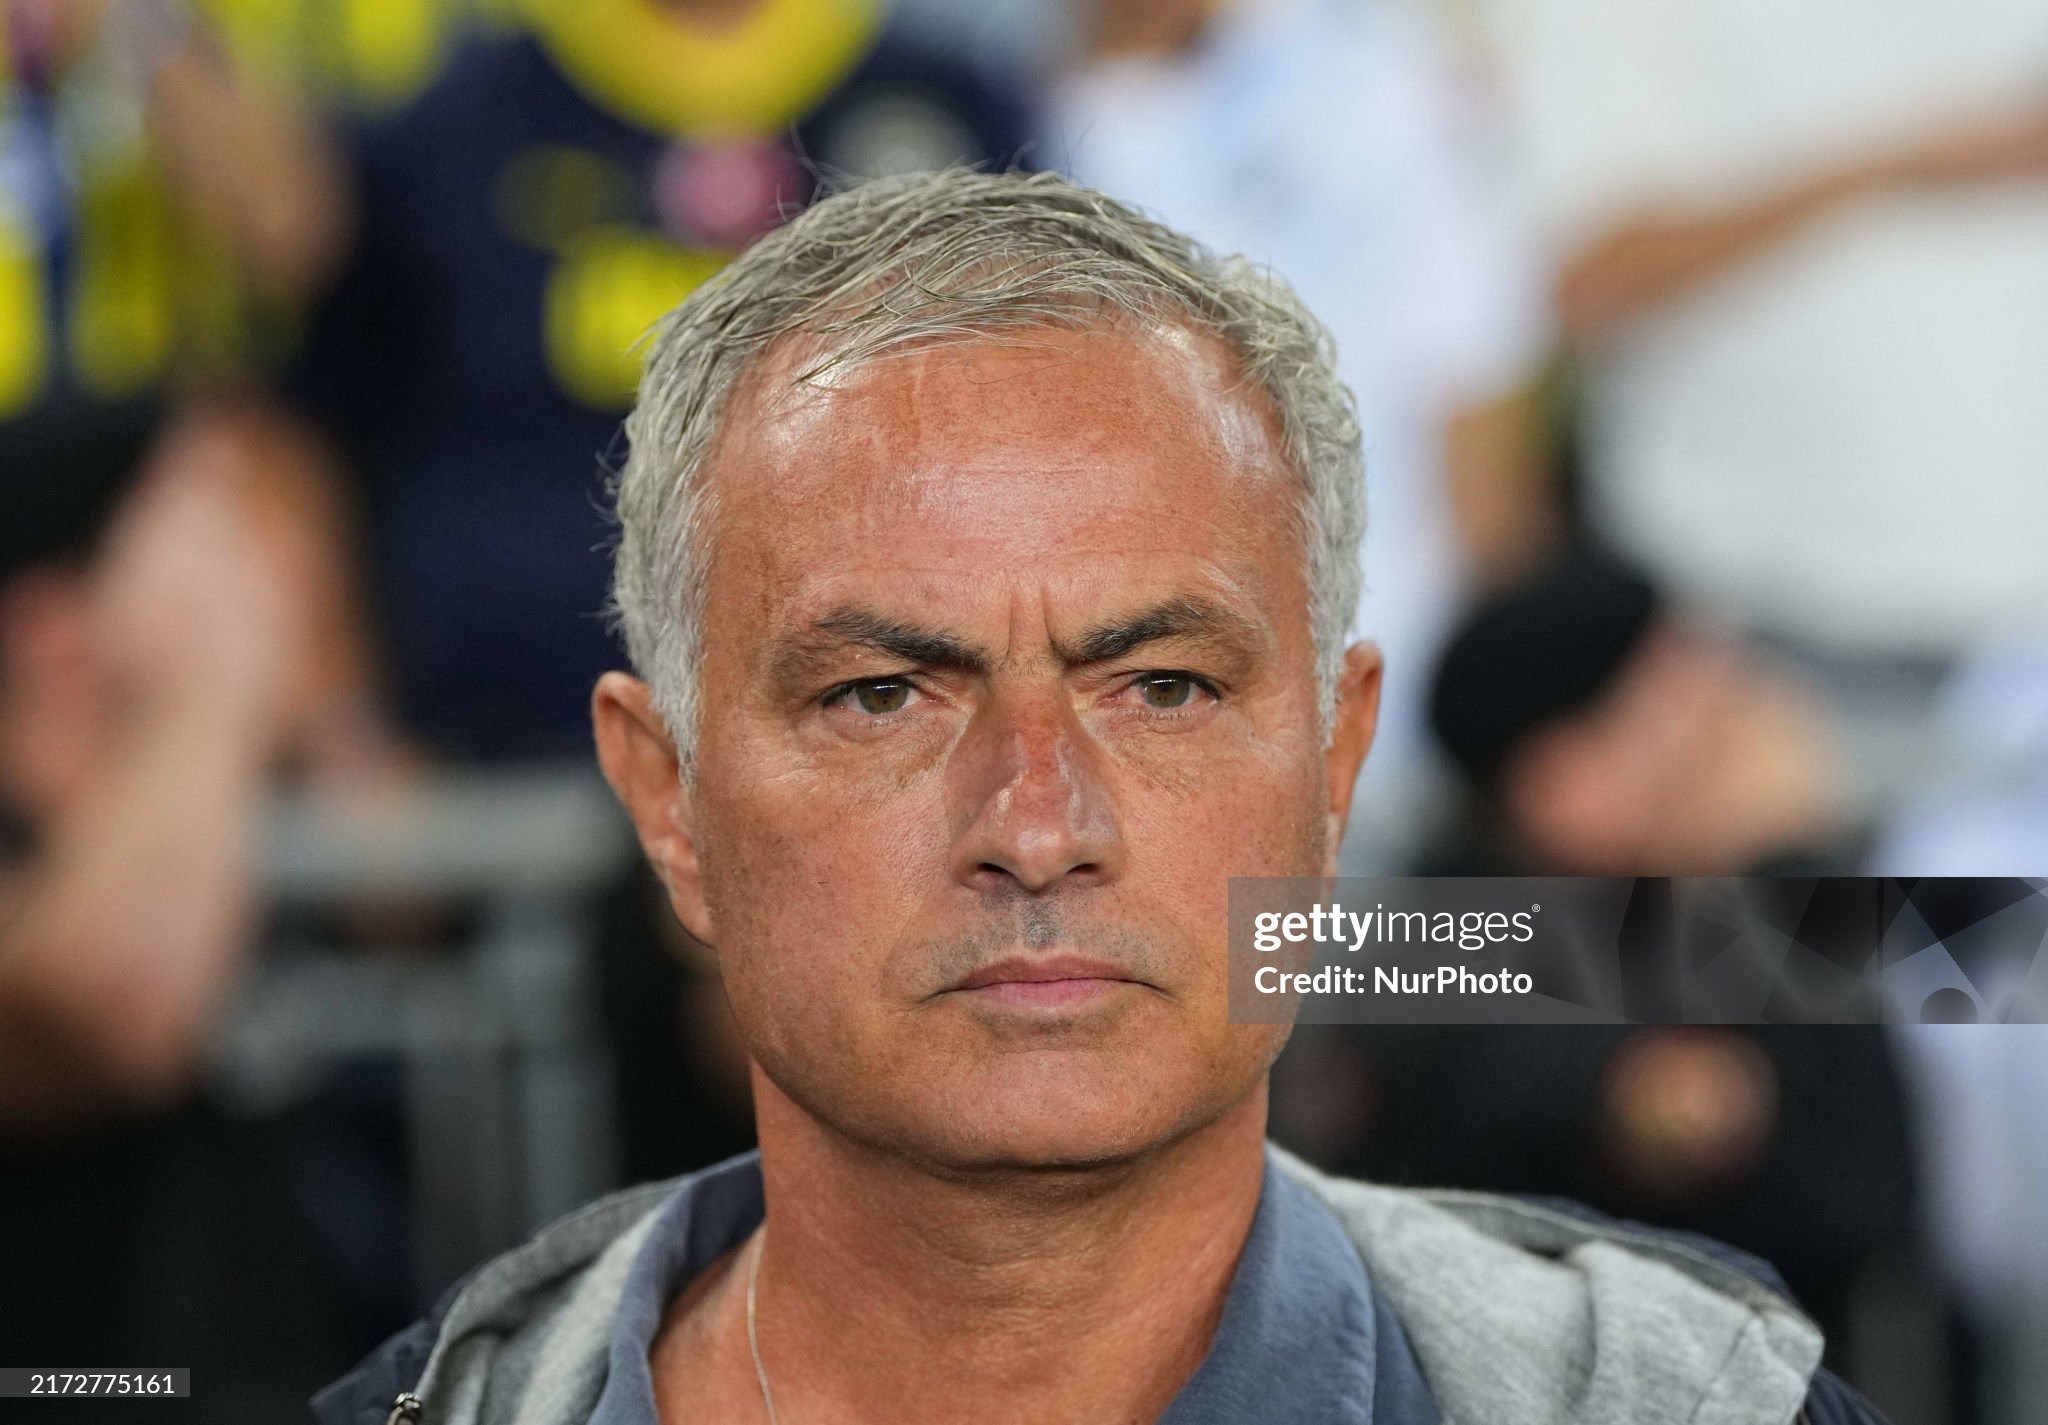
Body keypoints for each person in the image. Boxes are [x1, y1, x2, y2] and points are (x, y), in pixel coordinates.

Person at [313, 170, 1885, 1424]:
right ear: (669, 801)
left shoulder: (1675, 1385)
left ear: (1335, 766)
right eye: (881, 695)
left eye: (1167, 688)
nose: (1040, 822)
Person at [1043, 0, 1552, 860]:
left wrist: (1508, 708)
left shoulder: (1364, 69)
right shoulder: (977, 106)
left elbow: (1474, 382)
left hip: (1413, 720)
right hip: (1157, 745)